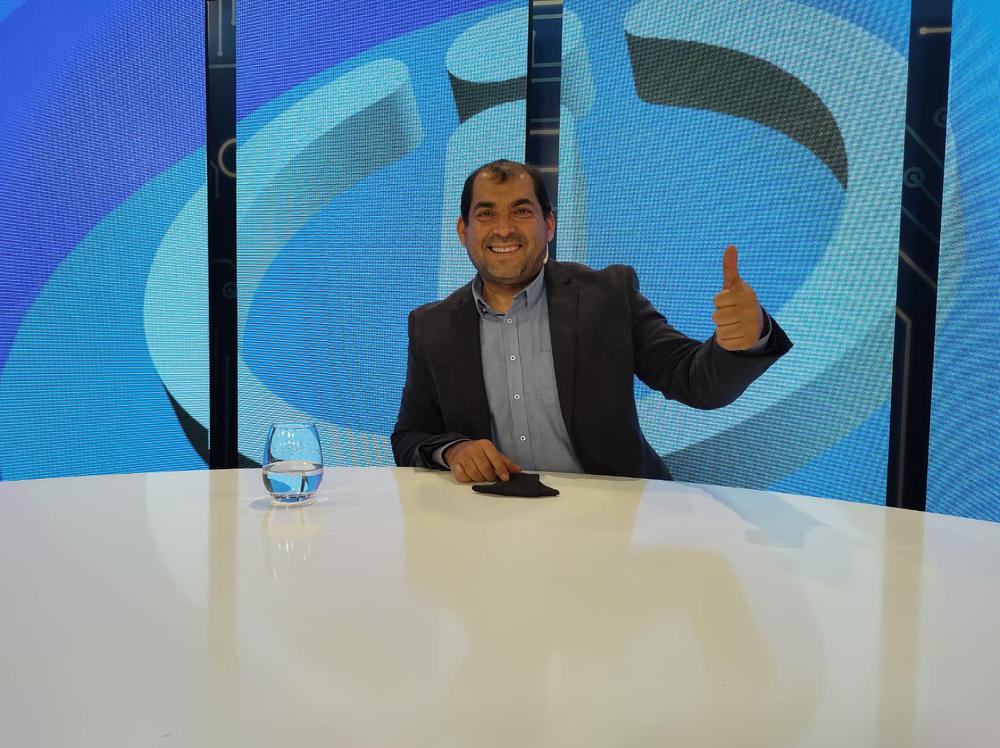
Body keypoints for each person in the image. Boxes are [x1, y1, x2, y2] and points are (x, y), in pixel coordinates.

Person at [391, 159, 791, 482]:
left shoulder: (609, 296)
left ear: (549, 225)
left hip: (613, 523)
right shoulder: (431, 327)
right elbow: (409, 437)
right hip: (493, 521)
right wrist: (453, 450)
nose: (504, 228)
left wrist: (743, 341)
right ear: (463, 230)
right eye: (486, 213)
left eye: (522, 210)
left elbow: (695, 381)